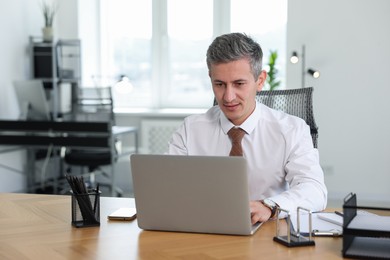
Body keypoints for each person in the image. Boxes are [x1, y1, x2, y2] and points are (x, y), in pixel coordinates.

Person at [167, 32, 327, 224]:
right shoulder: (190, 129)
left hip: (267, 231)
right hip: (205, 228)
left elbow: (314, 189)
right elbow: (168, 187)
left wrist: (270, 206)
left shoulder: (291, 129)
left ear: (259, 81)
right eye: (219, 84)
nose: (228, 97)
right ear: (210, 79)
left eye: (239, 84)